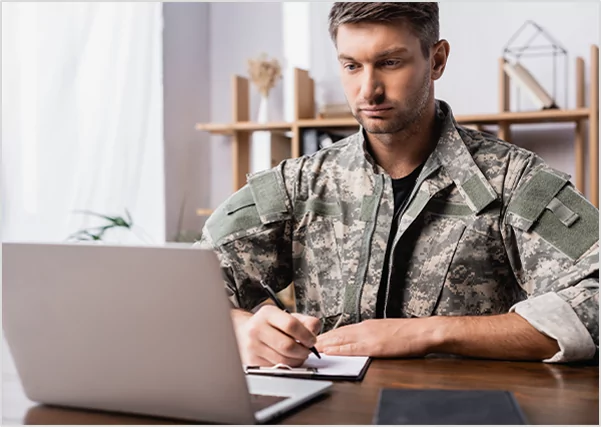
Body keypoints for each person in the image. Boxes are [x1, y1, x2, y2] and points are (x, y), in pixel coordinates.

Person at [198, 2, 599, 367]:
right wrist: (241, 329)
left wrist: (429, 332)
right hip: (328, 414)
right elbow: (187, 283)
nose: (368, 90)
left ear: (437, 59)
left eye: (389, 63)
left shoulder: (512, 181)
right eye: (351, 66)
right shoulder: (299, 182)